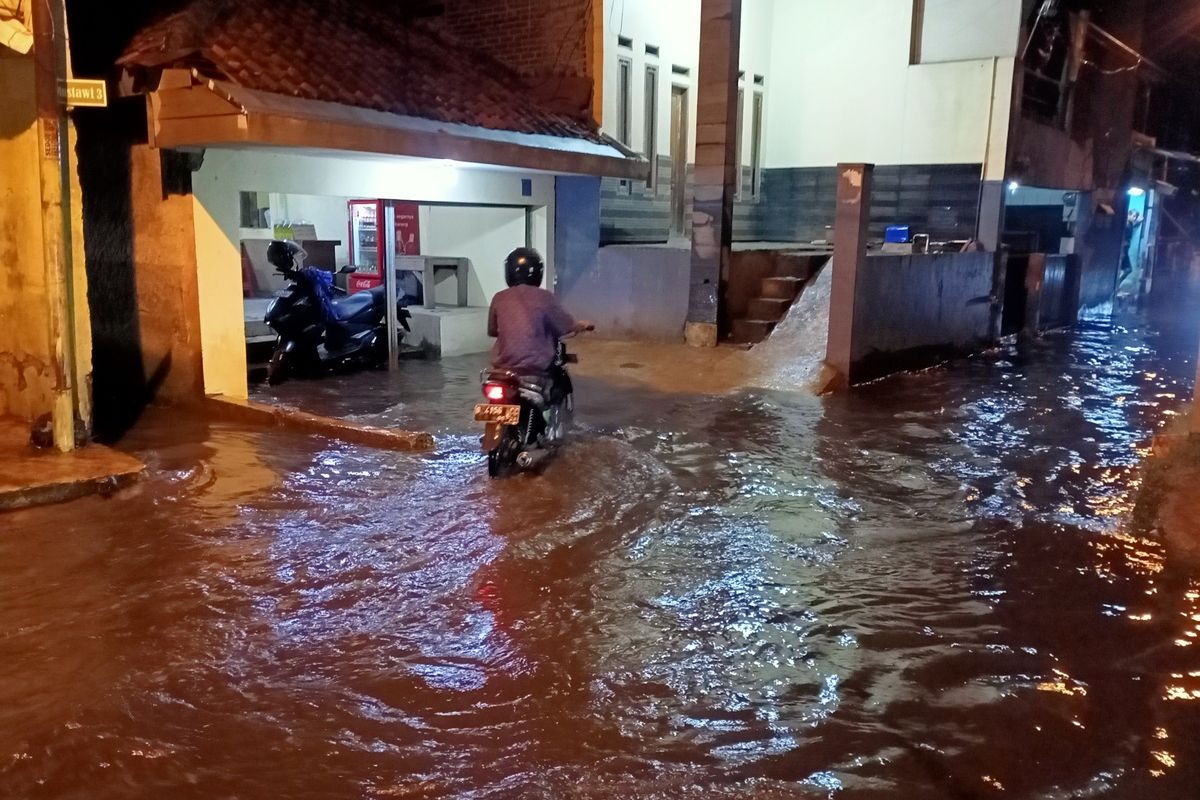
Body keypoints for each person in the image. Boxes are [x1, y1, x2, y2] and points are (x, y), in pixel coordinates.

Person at [487, 248, 592, 374]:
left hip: (502, 368)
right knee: (556, 379)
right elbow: (566, 325)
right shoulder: (545, 296)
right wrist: (582, 325)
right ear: (538, 272)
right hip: (536, 367)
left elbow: (492, 330)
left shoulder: (499, 297)